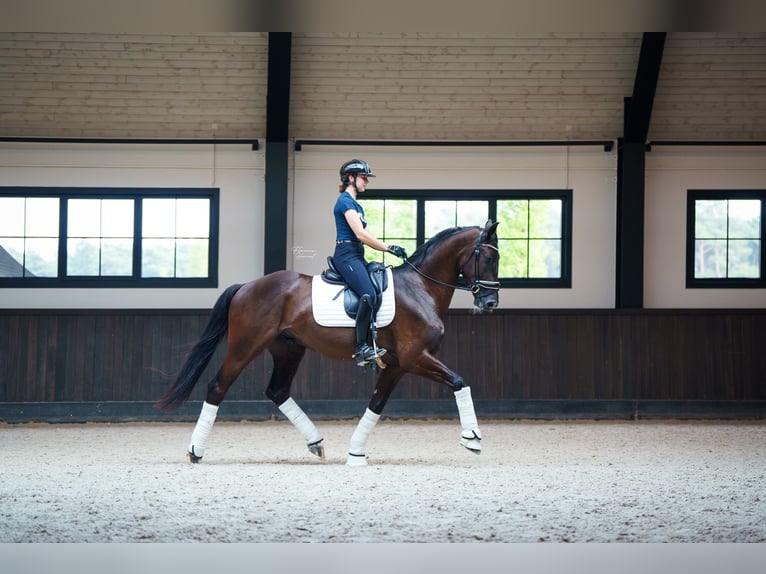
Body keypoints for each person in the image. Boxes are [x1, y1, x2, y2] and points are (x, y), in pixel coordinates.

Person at [333, 159, 407, 366]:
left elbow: (365, 235)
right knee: (368, 293)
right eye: (363, 177)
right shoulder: (345, 201)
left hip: (357, 254)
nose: (366, 181)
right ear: (351, 178)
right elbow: (360, 234)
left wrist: (387, 247)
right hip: (346, 254)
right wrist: (389, 248)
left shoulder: (356, 205)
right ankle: (361, 348)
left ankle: (374, 340)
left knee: (376, 287)